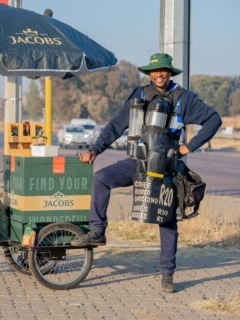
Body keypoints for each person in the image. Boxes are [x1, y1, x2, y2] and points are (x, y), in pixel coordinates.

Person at [72, 53, 222, 293]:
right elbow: (115, 126)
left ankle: (167, 274)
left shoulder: (184, 98)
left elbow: (214, 120)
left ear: (170, 72)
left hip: (166, 167)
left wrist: (188, 147)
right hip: (138, 162)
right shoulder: (139, 95)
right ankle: (97, 231)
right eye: (154, 71)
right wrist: (95, 150)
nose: (158, 74)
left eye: (163, 70)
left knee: (167, 220)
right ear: (149, 74)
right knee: (101, 178)